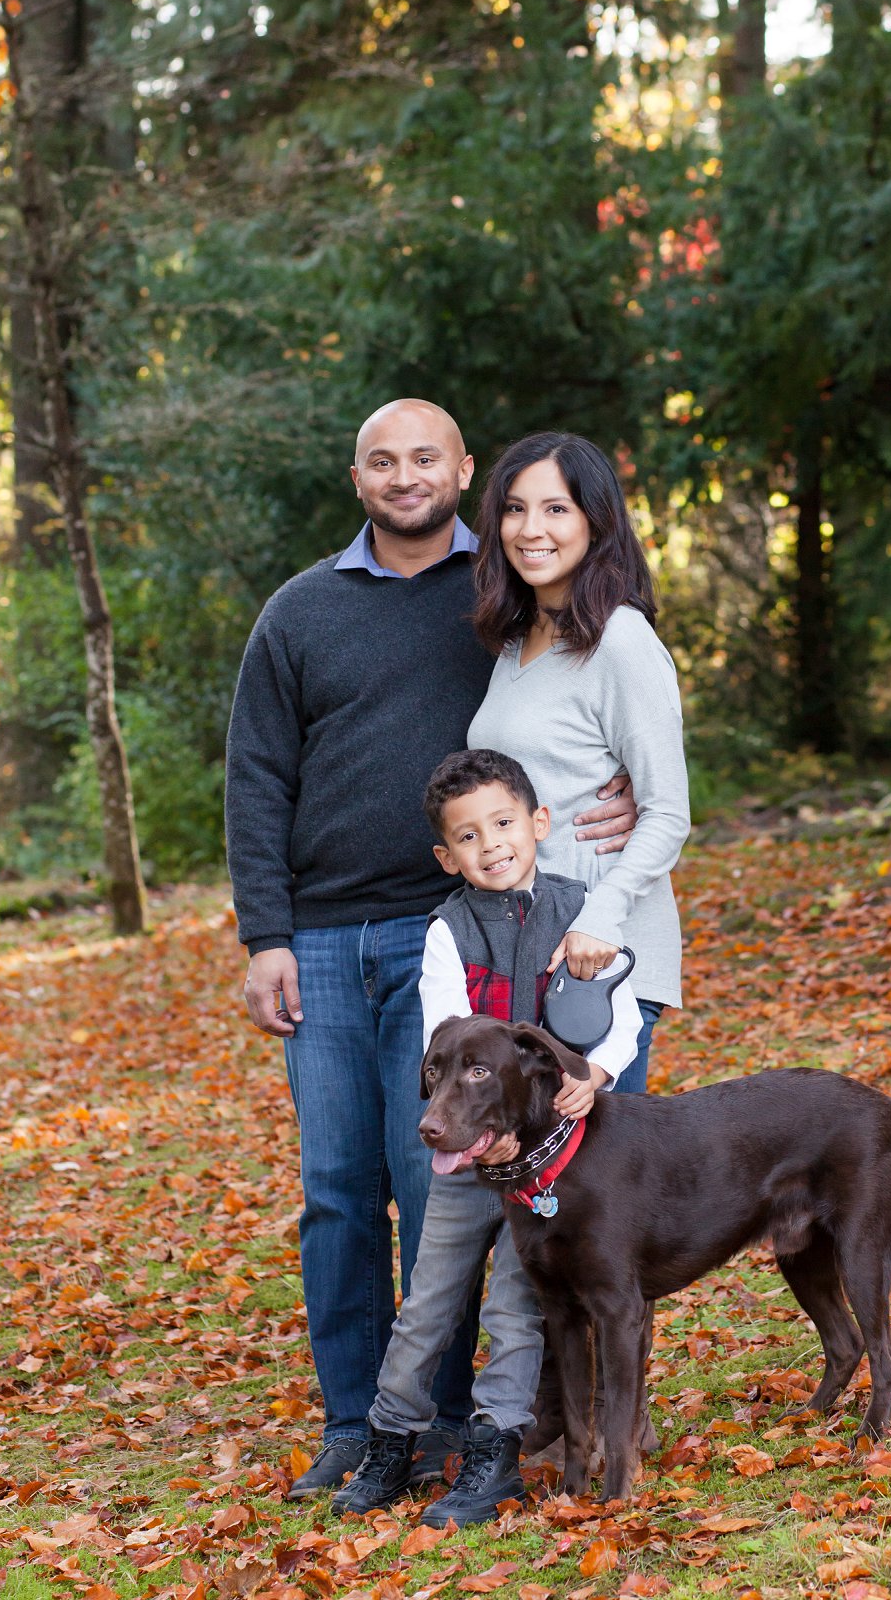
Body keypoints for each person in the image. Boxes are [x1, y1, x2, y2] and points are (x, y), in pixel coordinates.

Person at [224, 399, 638, 1497]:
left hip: (451, 936)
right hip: (318, 936)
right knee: (338, 1188)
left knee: (444, 1181)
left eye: (426, 457)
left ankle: (461, 1421)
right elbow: (256, 775)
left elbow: (590, 680)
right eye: (380, 460)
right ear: (354, 474)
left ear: (462, 470)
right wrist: (265, 932)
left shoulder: (498, 594)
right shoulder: (300, 610)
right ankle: (359, 1421)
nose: (404, 476)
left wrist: (631, 782)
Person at [331, 747, 639, 1527]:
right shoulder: (446, 932)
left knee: (515, 1309)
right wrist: (473, 1123)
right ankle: (390, 1443)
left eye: (503, 823)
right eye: (466, 837)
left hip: (547, 1163)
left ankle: (496, 1448)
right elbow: (443, 1036)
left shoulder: (581, 910)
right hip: (468, 1154)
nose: (490, 844)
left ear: (537, 823)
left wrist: (593, 1075)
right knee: (428, 1303)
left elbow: (623, 1016)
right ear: (446, 855)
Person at [468, 431, 690, 1091]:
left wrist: (603, 914)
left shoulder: (620, 640)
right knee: (537, 1184)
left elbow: (667, 811)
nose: (530, 529)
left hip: (595, 961)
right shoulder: (518, 641)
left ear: (596, 522)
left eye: (555, 508)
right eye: (514, 509)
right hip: (524, 952)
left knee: (600, 1184)